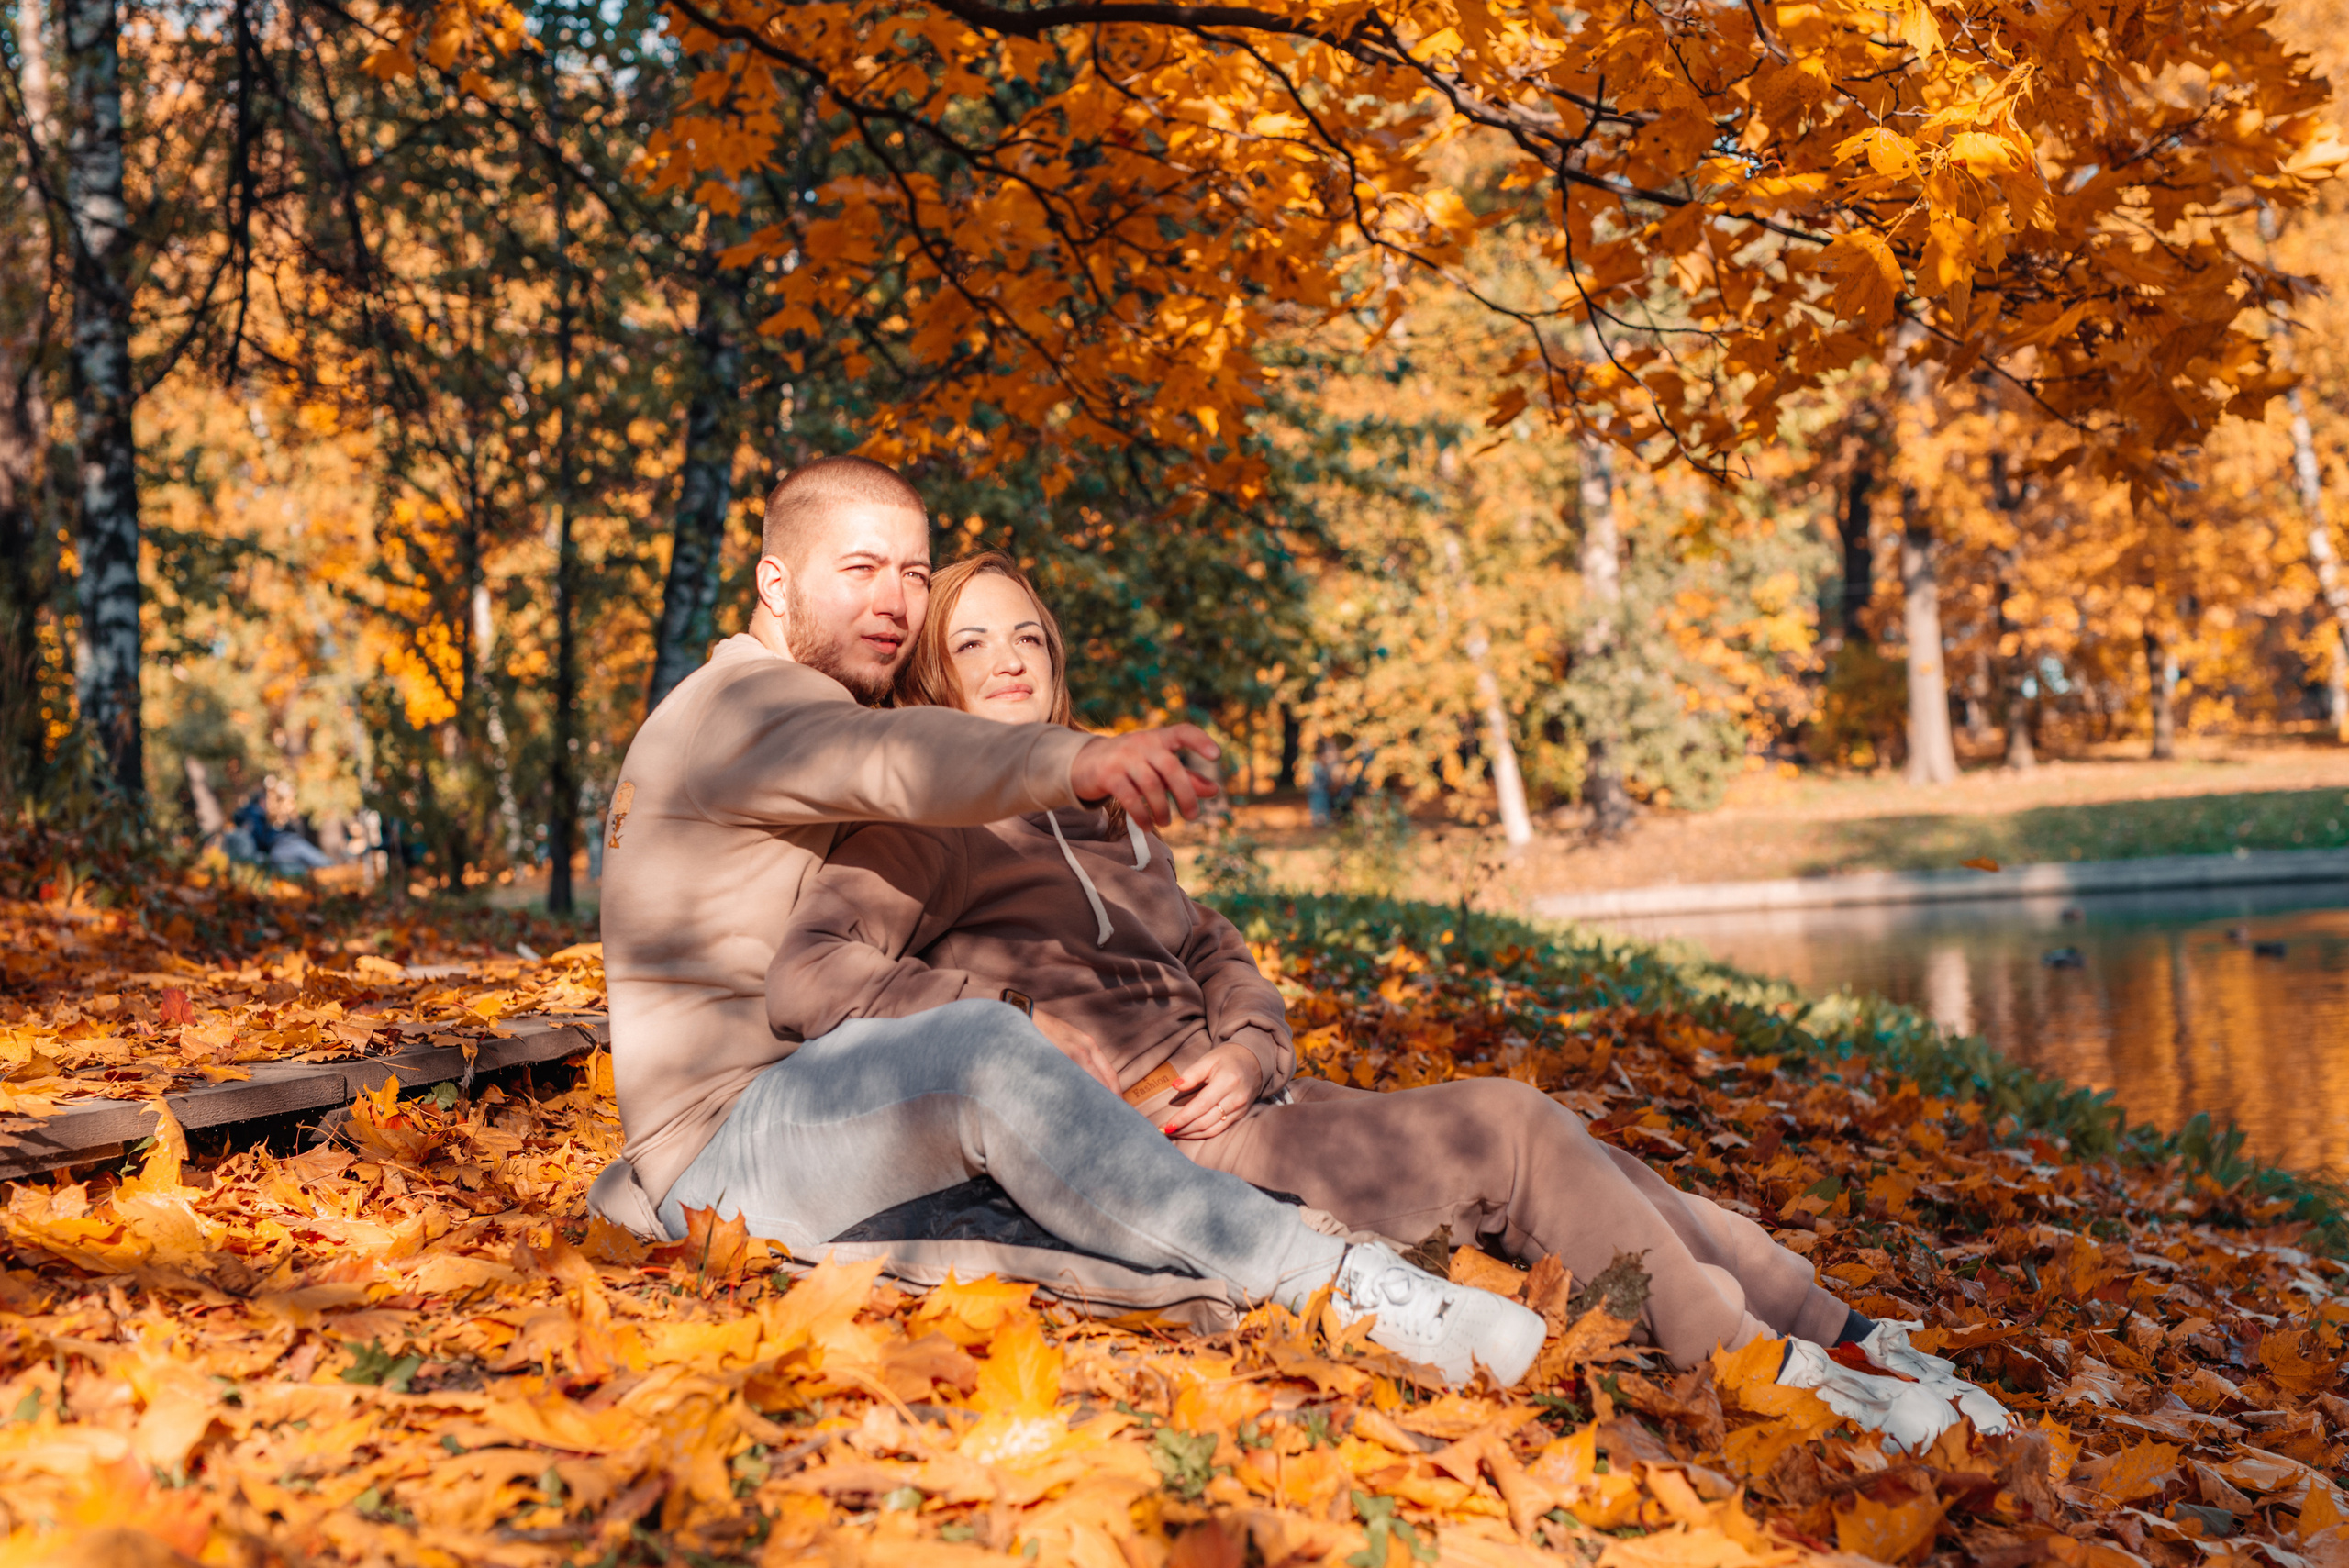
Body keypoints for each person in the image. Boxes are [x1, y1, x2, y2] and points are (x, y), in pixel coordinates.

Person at [764, 553, 2014, 1444]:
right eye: (969, 642)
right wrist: (1019, 1027)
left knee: (1614, 1174)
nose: (1005, 661)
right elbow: (814, 975)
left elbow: (1216, 950)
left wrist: (1256, 1042)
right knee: (1514, 1128)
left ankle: (1850, 1335)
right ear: (931, 679)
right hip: (1174, 1155)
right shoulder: (926, 822)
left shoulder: (1113, 815)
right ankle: (1750, 1367)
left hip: (1256, 1107)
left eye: (1025, 636)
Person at [588, 455, 1545, 1388]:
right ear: (774, 579)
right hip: (725, 1146)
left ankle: (1321, 1259)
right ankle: (1333, 1279)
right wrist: (1076, 760)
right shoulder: (752, 703)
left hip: (807, 1100)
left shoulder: (729, 705)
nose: (893, 602)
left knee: (1005, 1076)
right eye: (860, 569)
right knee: (980, 1047)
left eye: (913, 574)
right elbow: (891, 757)